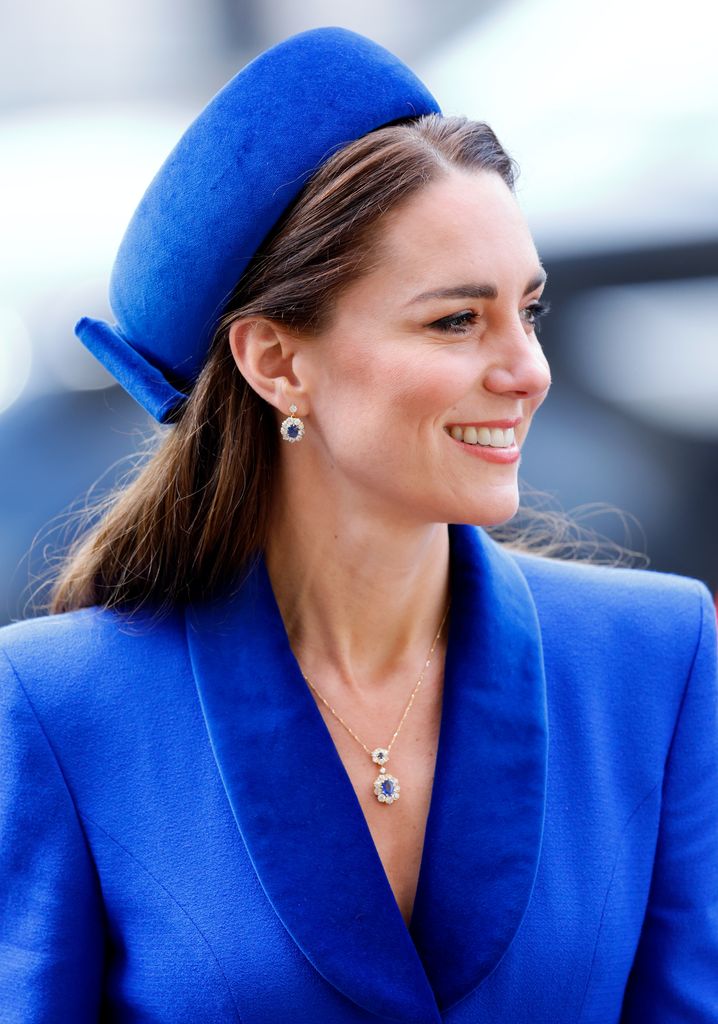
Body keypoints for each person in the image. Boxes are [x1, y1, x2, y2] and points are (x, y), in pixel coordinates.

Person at [0, 26, 716, 1024]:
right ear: (276, 363)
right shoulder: (64, 704)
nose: (527, 370)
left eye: (530, 311)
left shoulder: (655, 659)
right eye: (456, 321)